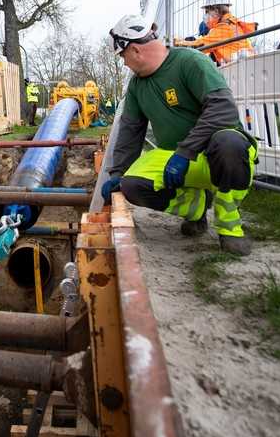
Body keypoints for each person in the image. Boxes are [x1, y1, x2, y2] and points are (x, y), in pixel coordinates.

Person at [102, 14, 258, 256]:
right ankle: (196, 209)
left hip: (216, 158)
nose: (124, 63)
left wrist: (186, 151)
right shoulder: (136, 87)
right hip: (177, 161)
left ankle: (229, 226)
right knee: (131, 185)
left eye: (123, 57)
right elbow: (130, 133)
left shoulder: (190, 62)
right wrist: (117, 173)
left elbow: (222, 109)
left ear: (134, 51)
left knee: (230, 143)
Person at [173, 0, 256, 65]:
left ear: (216, 11)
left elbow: (198, 45)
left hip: (240, 67)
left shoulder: (223, 29)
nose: (205, 15)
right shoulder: (232, 24)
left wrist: (175, 43)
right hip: (245, 64)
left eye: (207, 12)